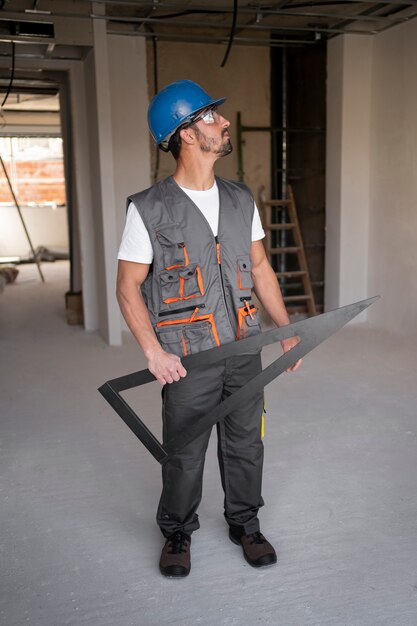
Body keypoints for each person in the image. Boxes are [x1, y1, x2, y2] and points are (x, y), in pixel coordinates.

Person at [116, 79, 301, 578]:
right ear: (186, 134)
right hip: (187, 355)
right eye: (209, 117)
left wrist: (284, 329)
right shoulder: (149, 209)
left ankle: (245, 522)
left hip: (245, 346)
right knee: (184, 450)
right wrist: (154, 352)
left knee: (247, 441)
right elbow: (128, 287)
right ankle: (177, 529)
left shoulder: (242, 200)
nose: (222, 122)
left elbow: (260, 269)